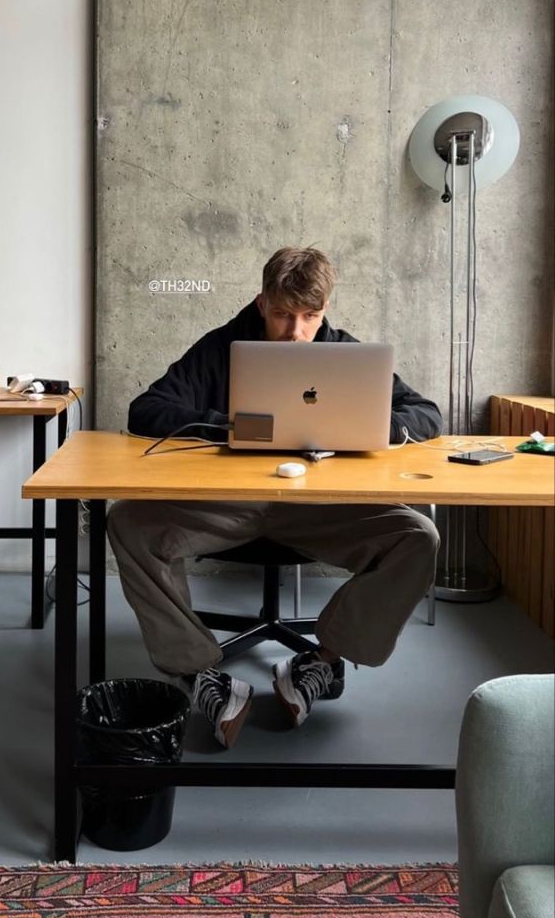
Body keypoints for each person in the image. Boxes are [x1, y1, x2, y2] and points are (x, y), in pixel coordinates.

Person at [107, 247, 443, 749]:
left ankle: (322, 660)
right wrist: (231, 428)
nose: (296, 332)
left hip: (320, 508)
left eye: (310, 317)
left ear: (324, 310)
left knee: (418, 536)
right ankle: (200, 672)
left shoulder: (345, 354)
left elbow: (427, 413)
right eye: (285, 314)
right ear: (263, 302)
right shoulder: (222, 346)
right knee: (129, 523)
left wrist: (378, 425)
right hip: (230, 505)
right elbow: (146, 409)